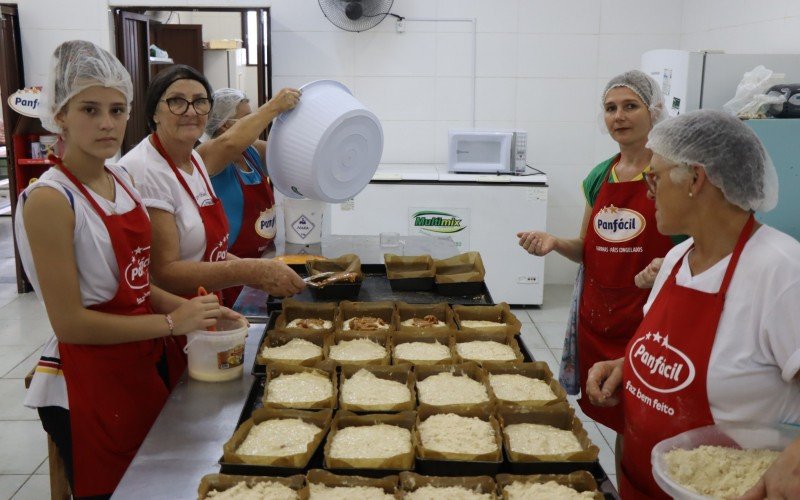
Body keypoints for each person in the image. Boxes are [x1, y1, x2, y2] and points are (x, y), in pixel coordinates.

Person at [16, 41, 237, 498]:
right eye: (90, 109)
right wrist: (175, 321)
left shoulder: (121, 180)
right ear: (59, 114)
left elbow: (135, 282)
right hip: (88, 382)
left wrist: (199, 312)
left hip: (139, 364)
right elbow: (71, 324)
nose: (107, 123)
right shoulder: (51, 200)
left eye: (117, 110)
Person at [586, 109, 800, 499]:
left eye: (655, 177)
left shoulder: (782, 271)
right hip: (640, 484)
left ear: (696, 179)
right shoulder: (677, 258)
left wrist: (796, 460)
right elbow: (674, 351)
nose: (648, 190)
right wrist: (631, 367)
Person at [516, 70, 677, 435]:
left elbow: (696, 253)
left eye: (630, 106)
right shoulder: (599, 176)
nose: (618, 116)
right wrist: (556, 243)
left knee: (646, 422)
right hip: (598, 318)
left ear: (655, 111)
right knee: (615, 417)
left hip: (649, 322)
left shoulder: (671, 174)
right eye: (610, 108)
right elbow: (585, 249)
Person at [118, 66, 305, 312]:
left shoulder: (192, 160)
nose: (190, 111)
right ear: (154, 112)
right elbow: (165, 272)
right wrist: (253, 270)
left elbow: (205, 252)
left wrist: (258, 276)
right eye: (177, 102)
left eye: (200, 102)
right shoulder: (145, 170)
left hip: (203, 304)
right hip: (165, 318)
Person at [201, 88, 279, 304]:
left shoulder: (252, 151)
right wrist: (274, 106)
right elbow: (228, 143)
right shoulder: (209, 156)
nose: (256, 123)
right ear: (225, 124)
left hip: (262, 265)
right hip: (229, 272)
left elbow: (287, 152)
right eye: (248, 118)